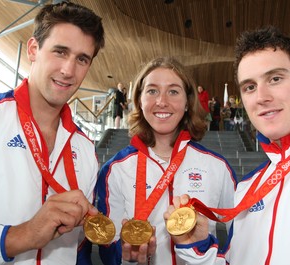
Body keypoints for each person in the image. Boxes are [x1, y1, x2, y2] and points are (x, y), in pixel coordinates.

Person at [165, 26, 290, 264]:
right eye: (250, 87)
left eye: (275, 79)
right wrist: (198, 245)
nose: (261, 97)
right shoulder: (248, 186)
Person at [0, 2, 105, 264]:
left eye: (82, 59)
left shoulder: (85, 149)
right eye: (60, 52)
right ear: (33, 49)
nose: (68, 71)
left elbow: (79, 250)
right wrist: (23, 235)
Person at [95, 57, 237, 265]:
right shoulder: (115, 169)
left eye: (173, 91)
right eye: (152, 91)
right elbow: (107, 248)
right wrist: (127, 258)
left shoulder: (216, 166)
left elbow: (242, 241)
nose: (161, 101)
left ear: (188, 102)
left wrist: (205, 254)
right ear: (139, 100)